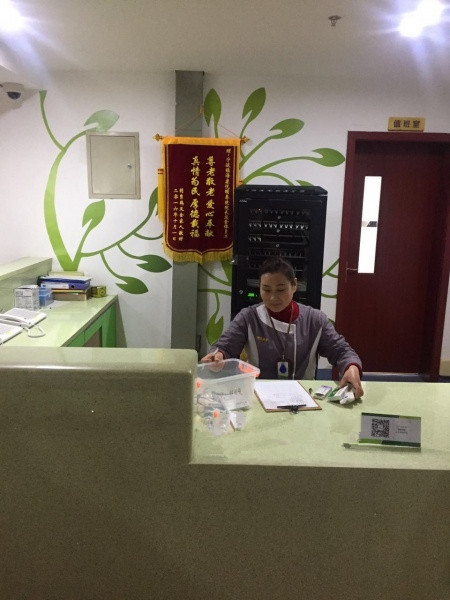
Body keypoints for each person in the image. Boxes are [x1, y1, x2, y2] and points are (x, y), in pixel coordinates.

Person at [201, 257, 364, 398]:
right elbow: (225, 346)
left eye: (281, 289)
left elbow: (341, 351)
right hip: (259, 393)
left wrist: (351, 367)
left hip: (303, 394)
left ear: (294, 285)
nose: (273, 297)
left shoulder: (314, 320)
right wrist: (218, 356)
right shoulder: (249, 317)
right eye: (266, 289)